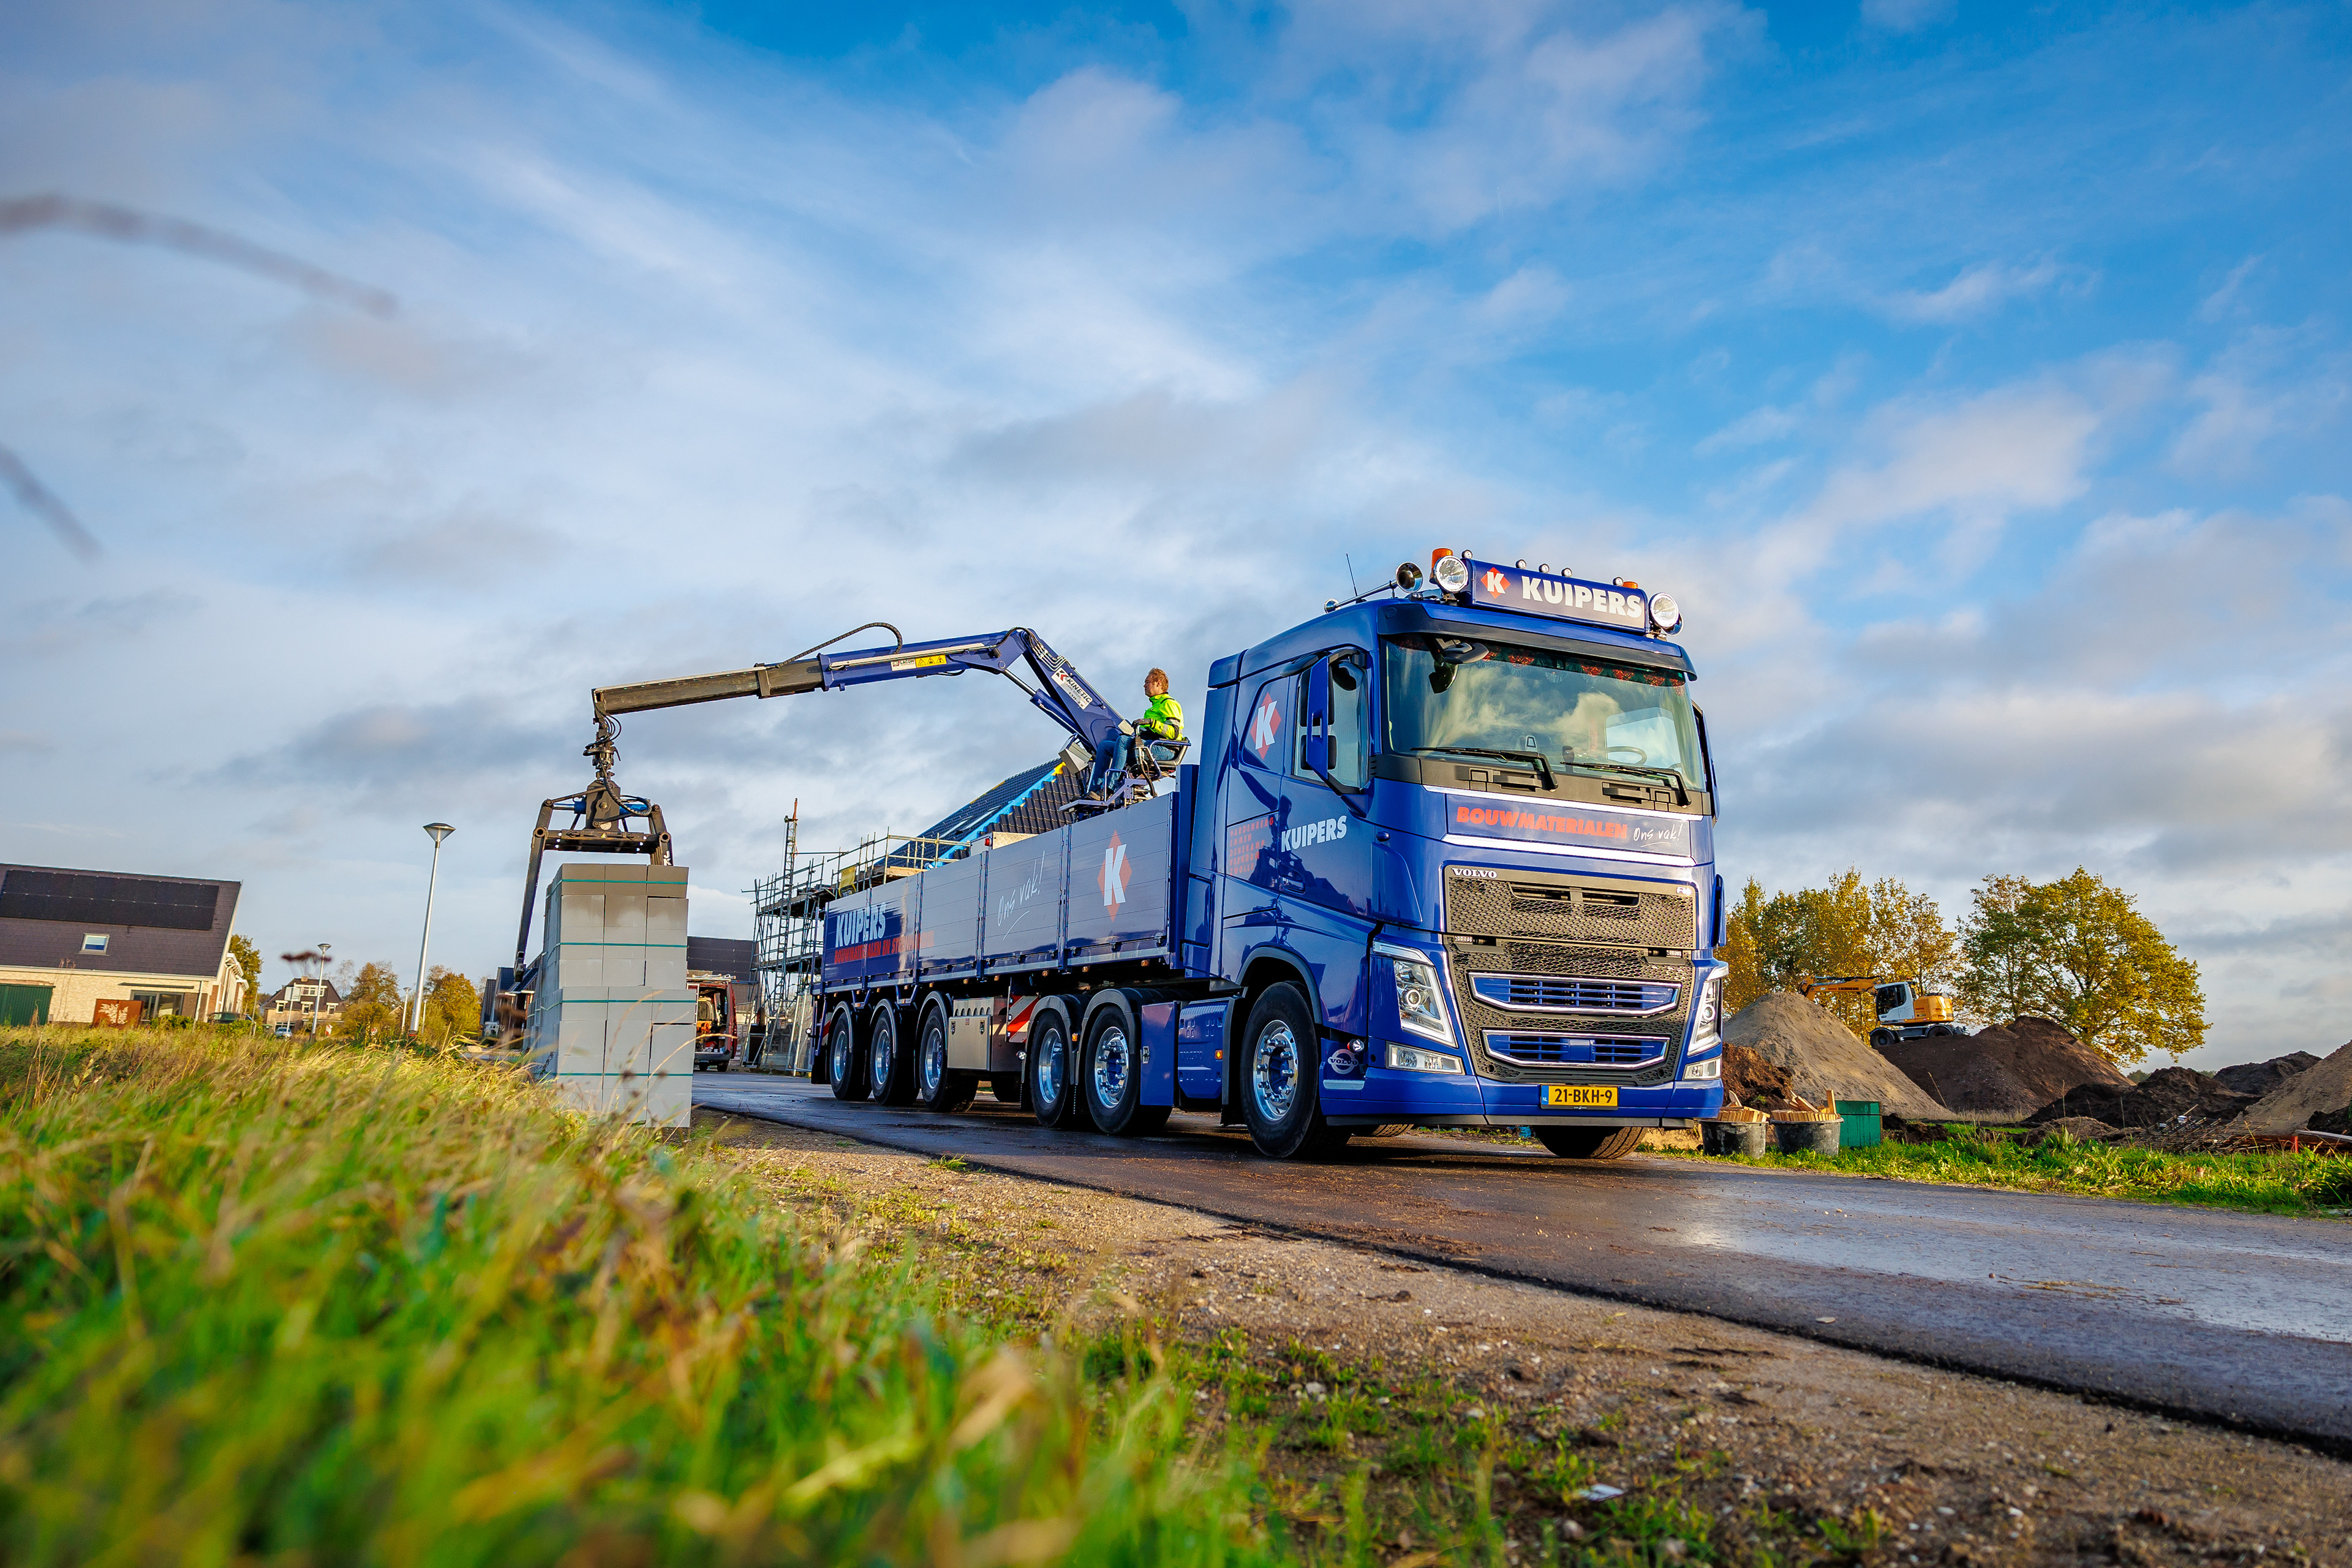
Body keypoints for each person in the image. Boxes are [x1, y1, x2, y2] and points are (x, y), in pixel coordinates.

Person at [1084, 669, 1185, 799]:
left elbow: (1174, 733)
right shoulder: (1153, 708)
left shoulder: (1169, 704)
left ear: (1158, 684)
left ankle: (1109, 789)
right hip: (1149, 747)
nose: (1144, 686)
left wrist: (1152, 723)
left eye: (1148, 682)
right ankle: (1095, 791)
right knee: (1105, 746)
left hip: (1165, 750)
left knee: (1124, 741)